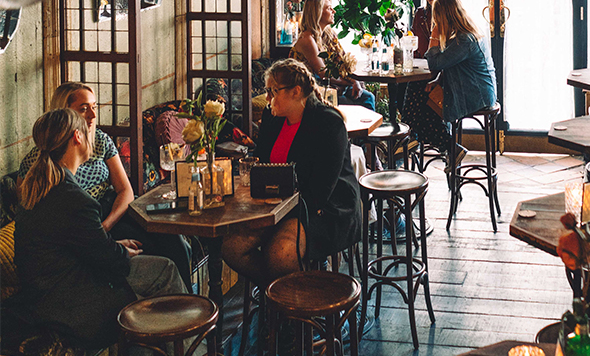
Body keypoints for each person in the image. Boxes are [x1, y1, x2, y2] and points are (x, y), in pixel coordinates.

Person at [14, 109, 185, 350]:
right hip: (73, 302)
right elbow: (108, 259)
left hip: (44, 295)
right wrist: (121, 251)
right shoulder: (73, 198)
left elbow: (81, 246)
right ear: (77, 137)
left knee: (160, 270)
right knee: (163, 276)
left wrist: (115, 247)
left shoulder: (37, 188)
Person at [17, 82, 192, 289]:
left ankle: (190, 301)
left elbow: (125, 191)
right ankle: (176, 303)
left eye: (94, 107)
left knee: (173, 239)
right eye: (84, 109)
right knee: (153, 253)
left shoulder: (100, 139)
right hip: (86, 226)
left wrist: (105, 227)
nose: (93, 115)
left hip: (113, 210)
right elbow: (42, 217)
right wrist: (105, 239)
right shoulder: (41, 165)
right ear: (65, 115)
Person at [221, 59, 361, 285]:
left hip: (325, 208)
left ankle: (296, 301)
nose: (267, 98)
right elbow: (261, 163)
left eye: (273, 91)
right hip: (275, 205)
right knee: (231, 248)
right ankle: (284, 293)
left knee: (281, 253)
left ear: (296, 92)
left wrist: (276, 212)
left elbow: (320, 191)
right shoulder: (272, 117)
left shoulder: (328, 123)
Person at [402, 0, 464, 169]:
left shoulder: (452, 15)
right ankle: (448, 148)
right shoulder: (421, 14)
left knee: (418, 97)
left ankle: (411, 137)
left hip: (447, 73)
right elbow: (417, 47)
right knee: (414, 89)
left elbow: (449, 55)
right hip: (427, 69)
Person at [289, 0, 376, 111]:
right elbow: (323, 74)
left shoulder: (328, 34)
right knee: (361, 101)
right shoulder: (307, 39)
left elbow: (343, 61)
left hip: (332, 85)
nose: (334, 11)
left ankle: (367, 123)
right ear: (318, 13)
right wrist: (350, 83)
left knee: (368, 97)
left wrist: (355, 81)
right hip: (314, 90)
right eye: (329, 8)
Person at [425, 0, 498, 125]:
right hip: (482, 91)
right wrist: (438, 80)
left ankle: (441, 137)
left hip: (478, 96)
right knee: (424, 96)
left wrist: (434, 34)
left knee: (421, 99)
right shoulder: (467, 32)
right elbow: (450, 63)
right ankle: (440, 136)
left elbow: (434, 63)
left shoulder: (464, 40)